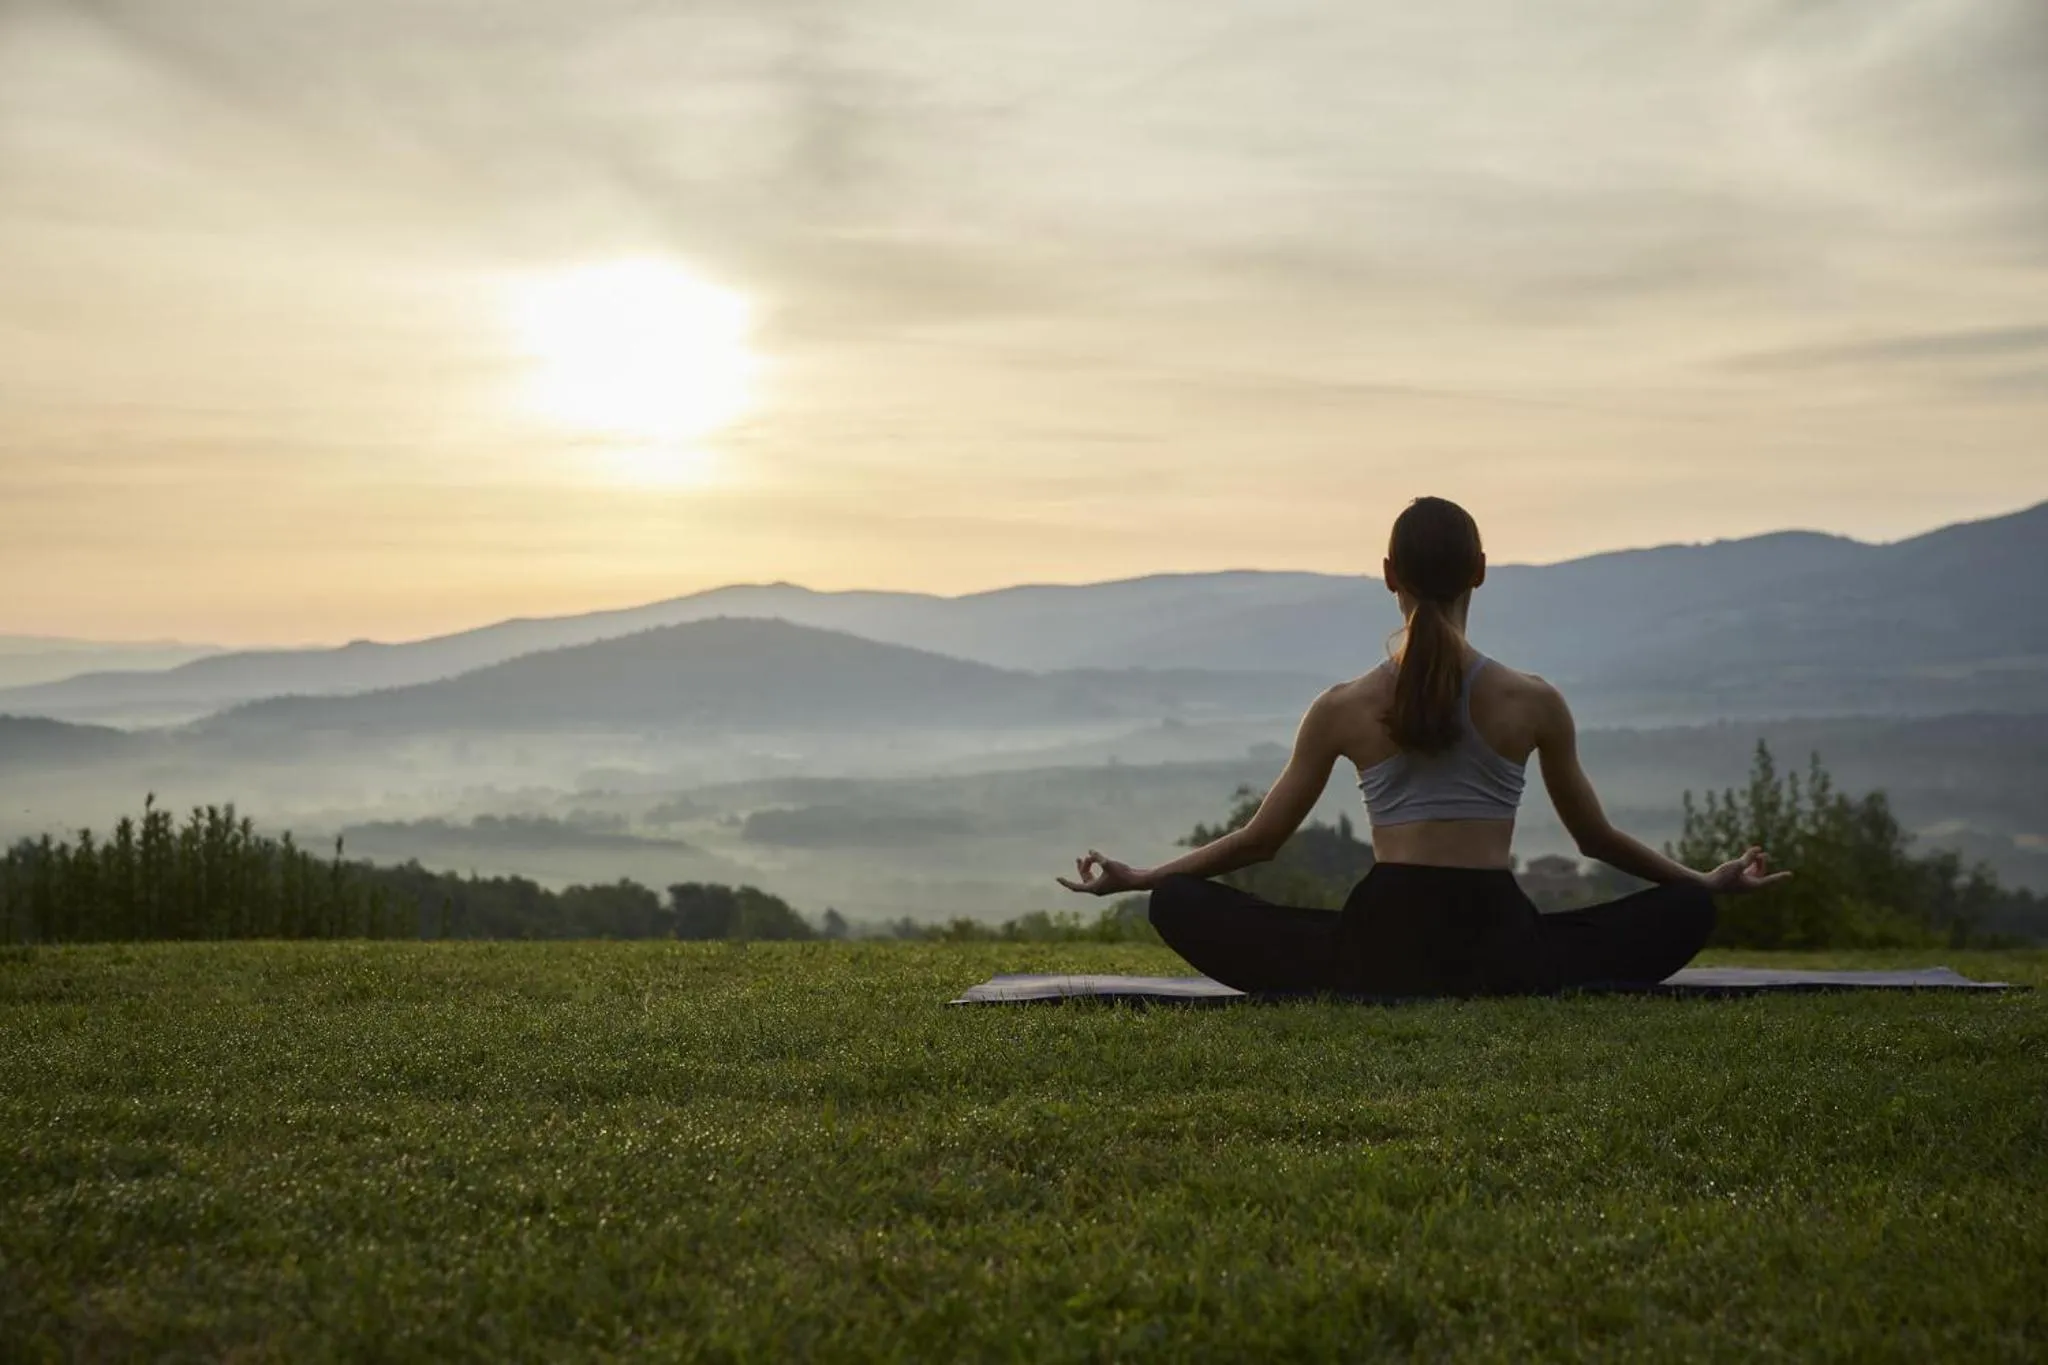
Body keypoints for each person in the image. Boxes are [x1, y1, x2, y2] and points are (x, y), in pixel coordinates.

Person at [1055, 495, 1791, 997]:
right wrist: (1703, 882)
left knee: (1178, 905)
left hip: (1380, 950)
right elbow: (1595, 839)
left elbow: (1258, 841)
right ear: (1479, 570)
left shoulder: (1342, 706)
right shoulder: (1533, 700)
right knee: (1686, 912)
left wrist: (1146, 877)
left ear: (1388, 578)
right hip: (1503, 948)